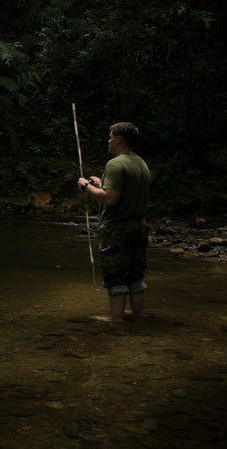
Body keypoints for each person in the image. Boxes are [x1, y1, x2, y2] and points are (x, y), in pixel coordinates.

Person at [77, 122, 151, 323]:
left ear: (118, 139)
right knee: (136, 274)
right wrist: (101, 185)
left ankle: (115, 319)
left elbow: (110, 199)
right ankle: (137, 316)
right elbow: (123, 192)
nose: (108, 141)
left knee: (116, 274)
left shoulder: (115, 164)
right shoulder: (141, 163)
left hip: (118, 228)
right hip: (139, 226)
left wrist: (86, 187)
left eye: (110, 137)